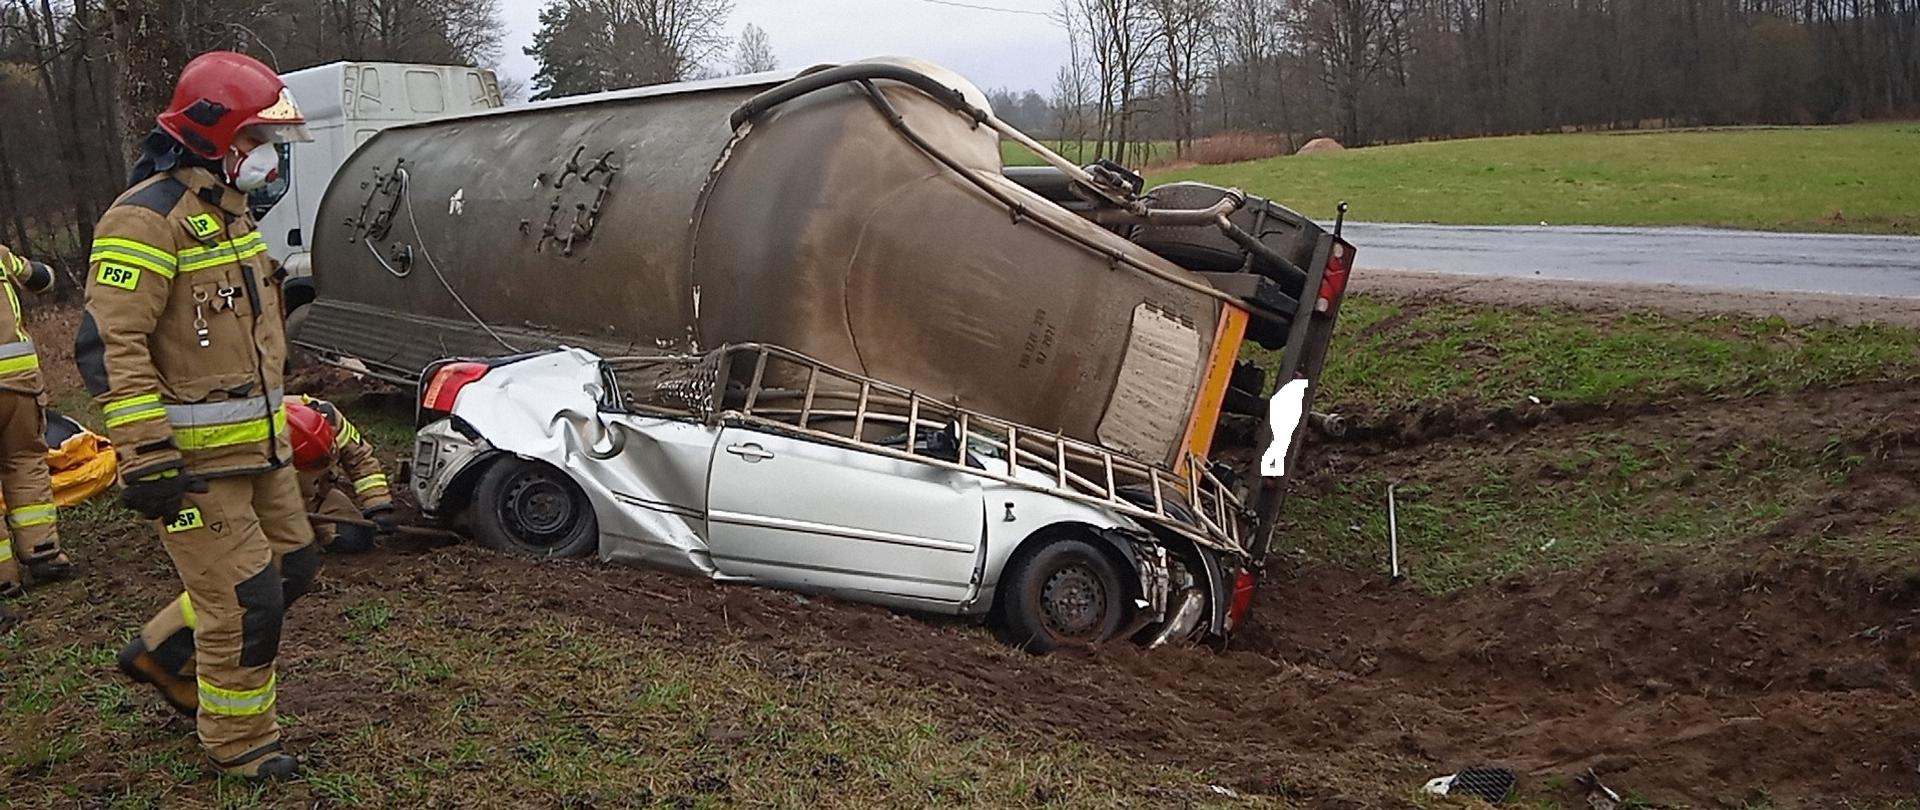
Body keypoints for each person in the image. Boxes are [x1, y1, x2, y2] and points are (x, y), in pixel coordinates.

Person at [76, 50, 317, 781]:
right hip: (193, 465)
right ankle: (239, 741)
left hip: (259, 452)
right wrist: (146, 454)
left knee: (292, 567)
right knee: (246, 603)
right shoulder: (146, 221)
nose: (267, 156)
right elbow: (111, 345)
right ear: (214, 134)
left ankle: (163, 654)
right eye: (256, 139)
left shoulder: (229, 214)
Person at [0, 244, 71, 600]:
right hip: (20, 383)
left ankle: (3, 577)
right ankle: (44, 552)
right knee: (25, 461)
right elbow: (43, 279)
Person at [286, 396, 394, 553]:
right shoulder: (261, 441)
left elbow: (361, 460)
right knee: (291, 553)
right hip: (273, 506)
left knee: (355, 538)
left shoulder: (332, 418)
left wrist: (378, 506)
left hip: (319, 495)